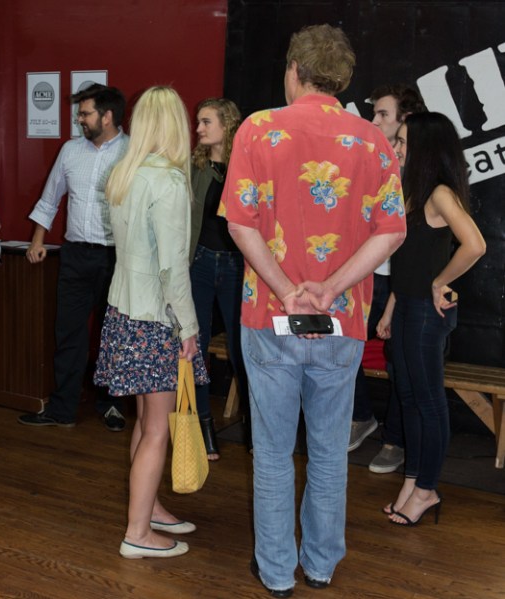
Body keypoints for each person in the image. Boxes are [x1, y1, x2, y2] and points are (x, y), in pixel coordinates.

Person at [222, 25, 406, 594]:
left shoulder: (258, 128)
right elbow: (392, 232)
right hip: (342, 319)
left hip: (268, 317)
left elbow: (240, 223)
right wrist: (329, 289)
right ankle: (321, 566)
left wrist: (285, 288)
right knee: (328, 453)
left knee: (273, 453)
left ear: (295, 70)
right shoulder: (372, 140)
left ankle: (277, 572)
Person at [93, 86, 207, 559]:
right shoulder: (170, 182)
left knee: (146, 421)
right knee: (158, 428)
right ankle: (138, 533)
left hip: (123, 311)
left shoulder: (124, 173)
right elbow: (173, 269)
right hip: (156, 319)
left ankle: (150, 508)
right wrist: (190, 328)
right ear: (175, 125)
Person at [377, 112, 486, 526]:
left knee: (427, 401)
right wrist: (391, 307)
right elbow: (407, 261)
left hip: (428, 312)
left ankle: (427, 490)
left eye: (404, 141)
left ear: (425, 146)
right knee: (407, 397)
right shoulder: (411, 191)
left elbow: (474, 244)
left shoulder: (440, 193)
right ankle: (412, 481)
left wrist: (441, 281)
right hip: (407, 305)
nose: (398, 147)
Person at [18, 84, 129, 432]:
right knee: (68, 333)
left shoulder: (132, 152)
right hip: (75, 255)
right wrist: (37, 240)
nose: (80, 119)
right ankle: (63, 408)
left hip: (118, 258)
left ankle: (111, 405)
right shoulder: (70, 150)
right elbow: (50, 197)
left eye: (85, 113)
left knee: (114, 334)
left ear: (107, 116)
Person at [350, 84, 427, 475]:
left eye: (382, 114)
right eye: (374, 113)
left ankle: (395, 441)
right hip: (368, 276)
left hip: (406, 284)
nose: (374, 121)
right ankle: (361, 416)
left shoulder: (423, 172)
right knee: (344, 347)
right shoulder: (372, 159)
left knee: (401, 364)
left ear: (405, 119)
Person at [188, 97, 247, 459]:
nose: (198, 129)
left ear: (227, 125)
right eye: (198, 122)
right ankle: (203, 425)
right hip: (199, 263)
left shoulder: (247, 165)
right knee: (195, 344)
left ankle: (255, 428)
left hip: (238, 266)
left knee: (243, 349)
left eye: (206, 122)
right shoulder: (194, 167)